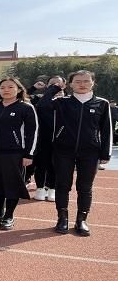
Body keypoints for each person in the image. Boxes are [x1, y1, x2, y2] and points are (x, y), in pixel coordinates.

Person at [38, 70, 113, 236]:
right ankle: (62, 218)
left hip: (90, 153)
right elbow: (42, 106)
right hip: (63, 151)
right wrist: (55, 88)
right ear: (70, 84)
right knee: (62, 185)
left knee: (85, 188)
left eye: (86, 81)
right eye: (78, 81)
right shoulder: (61, 102)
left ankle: (81, 220)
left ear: (93, 83)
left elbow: (106, 130)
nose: (82, 84)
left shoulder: (101, 103)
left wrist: (105, 154)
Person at [0, 78, 38, 230]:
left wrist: (29, 155)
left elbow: (33, 132)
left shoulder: (26, 108)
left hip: (14, 154)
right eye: (2, 87)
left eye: (11, 87)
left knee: (11, 185)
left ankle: (9, 215)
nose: (6, 90)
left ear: (19, 89)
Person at [32, 76, 66, 202]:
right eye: (52, 84)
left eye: (58, 84)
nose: (55, 87)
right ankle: (40, 188)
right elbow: (42, 105)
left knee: (55, 165)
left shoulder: (68, 100)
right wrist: (52, 90)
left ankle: (52, 188)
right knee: (41, 164)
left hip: (61, 139)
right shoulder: (41, 99)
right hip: (42, 138)